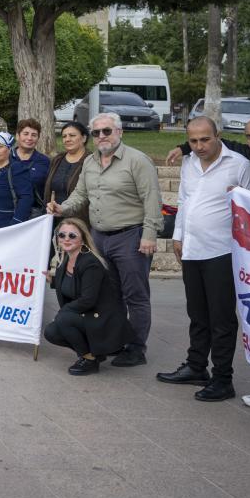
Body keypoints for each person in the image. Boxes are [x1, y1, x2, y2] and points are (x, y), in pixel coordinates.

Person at [48, 113, 162, 367]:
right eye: (97, 132)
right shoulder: (90, 162)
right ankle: (114, 342)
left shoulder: (137, 160)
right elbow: (80, 195)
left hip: (130, 236)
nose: (101, 136)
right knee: (108, 295)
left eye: (107, 131)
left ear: (119, 132)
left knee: (135, 295)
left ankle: (136, 348)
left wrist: (149, 235)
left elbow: (152, 199)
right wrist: (62, 208)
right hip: (99, 237)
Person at [154, 117, 250, 401]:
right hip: (192, 249)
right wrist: (178, 236)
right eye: (193, 141)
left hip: (223, 252)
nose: (199, 146)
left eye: (205, 139)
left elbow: (247, 210)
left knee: (221, 318)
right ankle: (196, 366)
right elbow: (184, 201)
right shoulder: (188, 162)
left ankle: (223, 379)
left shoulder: (239, 164)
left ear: (217, 135)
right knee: (197, 314)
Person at [43, 218, 133, 376]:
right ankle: (92, 353)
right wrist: (54, 280)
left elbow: (88, 300)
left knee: (63, 319)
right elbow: (75, 284)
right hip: (88, 316)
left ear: (83, 239)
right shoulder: (65, 259)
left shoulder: (90, 262)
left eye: (72, 235)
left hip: (104, 320)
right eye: (62, 235)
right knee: (51, 332)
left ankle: (89, 359)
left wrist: (62, 313)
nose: (66, 239)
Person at [45, 121, 90, 215]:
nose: (67, 139)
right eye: (64, 136)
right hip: (54, 215)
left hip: (79, 218)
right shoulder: (57, 159)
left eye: (72, 135)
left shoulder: (91, 161)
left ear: (84, 138)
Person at [13, 119, 51, 214]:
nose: (29, 138)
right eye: (25, 134)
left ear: (38, 138)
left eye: (34, 135)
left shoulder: (44, 162)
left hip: (33, 214)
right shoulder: (7, 157)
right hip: (7, 211)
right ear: (17, 136)